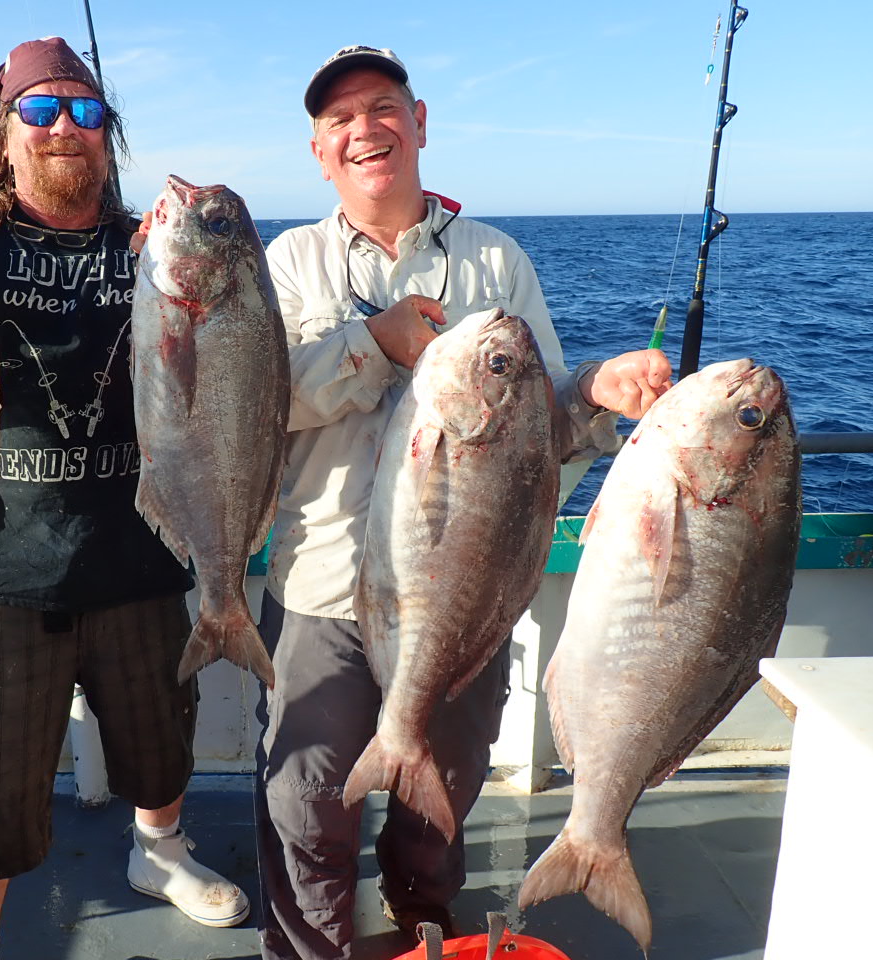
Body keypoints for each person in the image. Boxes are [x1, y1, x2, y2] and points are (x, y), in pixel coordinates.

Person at [253, 45, 673, 960]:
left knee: (438, 803)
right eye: (339, 120)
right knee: (307, 802)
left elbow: (545, 425)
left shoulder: (497, 260)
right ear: (320, 152)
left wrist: (597, 394)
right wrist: (372, 342)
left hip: (469, 593)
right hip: (323, 583)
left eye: (382, 107)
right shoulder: (288, 263)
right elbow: (260, 401)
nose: (365, 129)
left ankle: (428, 940)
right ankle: (305, 951)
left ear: (420, 122)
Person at [0, 37, 249, 960]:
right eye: (40, 111)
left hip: (141, 549)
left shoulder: (153, 247)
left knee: (160, 745)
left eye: (86, 110)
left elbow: (223, 358)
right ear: (5, 132)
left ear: (110, 136)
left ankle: (160, 852)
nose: (64, 126)